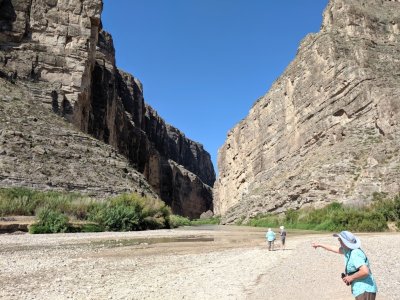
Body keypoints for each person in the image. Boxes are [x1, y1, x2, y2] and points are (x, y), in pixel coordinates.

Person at [312, 231, 377, 300]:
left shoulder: (355, 253)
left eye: (340, 239)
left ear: (345, 242)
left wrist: (351, 277)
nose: (339, 241)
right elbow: (333, 248)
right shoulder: (348, 250)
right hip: (361, 289)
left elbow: (365, 271)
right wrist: (319, 244)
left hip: (365, 289)